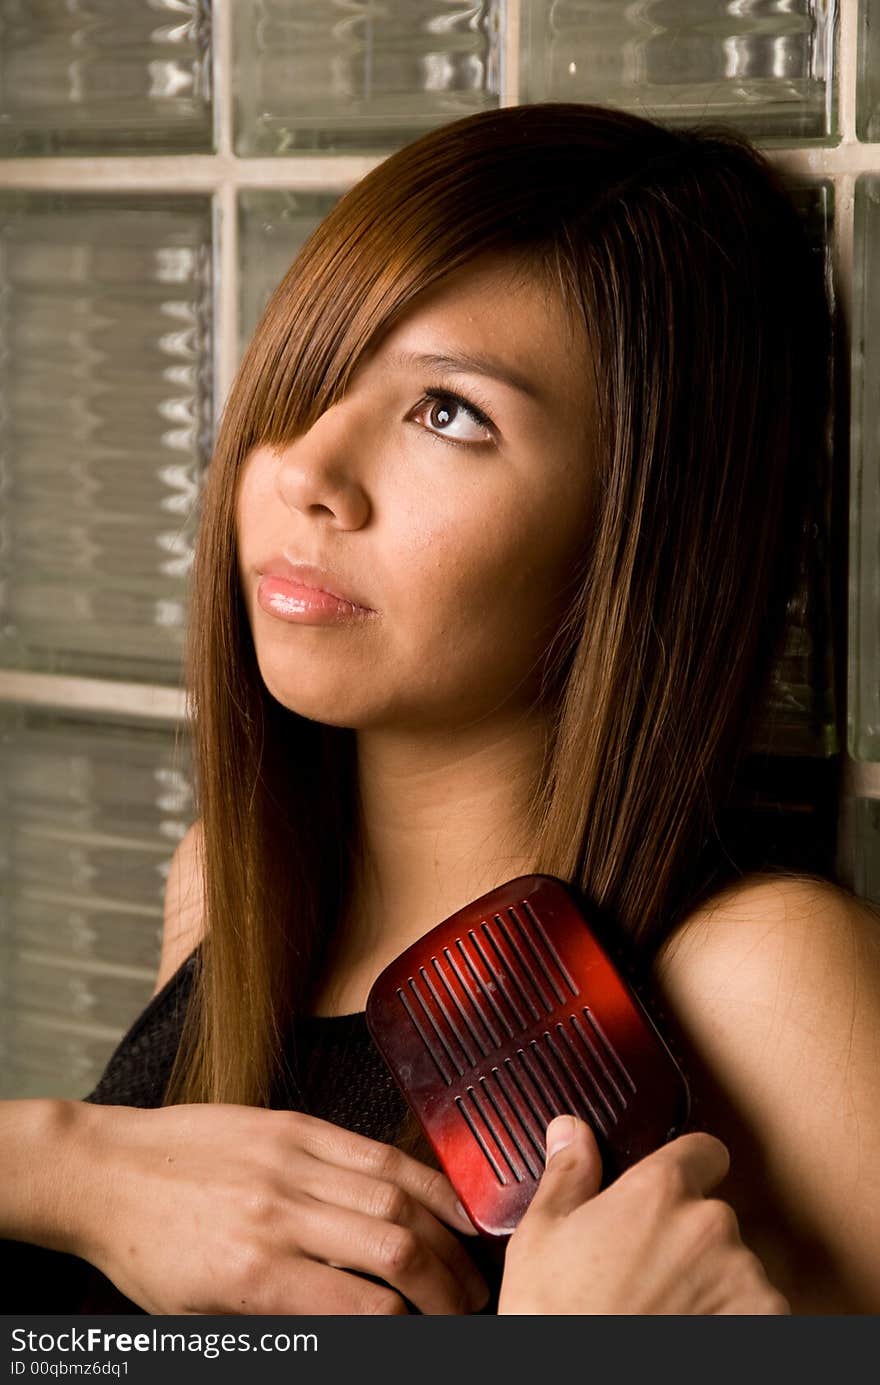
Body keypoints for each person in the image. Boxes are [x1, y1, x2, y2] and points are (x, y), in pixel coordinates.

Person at [2, 100, 878, 1315]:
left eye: (447, 412)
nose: (304, 468)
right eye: (307, 376)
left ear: (636, 527)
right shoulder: (233, 890)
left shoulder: (759, 981)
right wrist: (55, 1162)